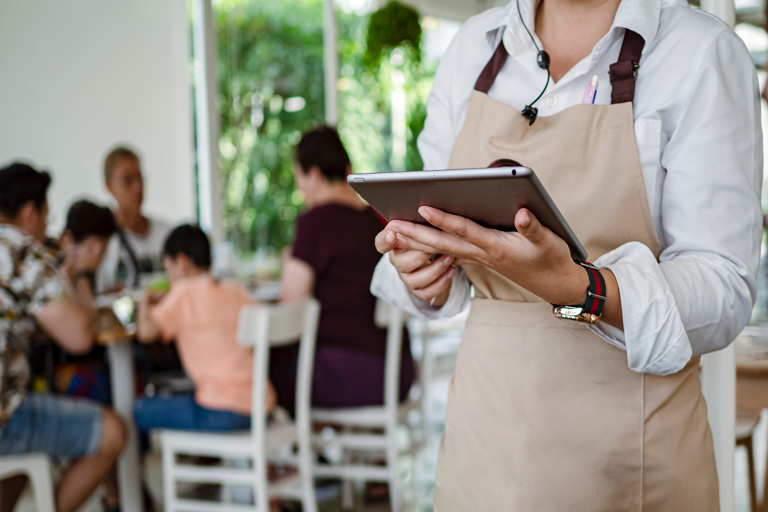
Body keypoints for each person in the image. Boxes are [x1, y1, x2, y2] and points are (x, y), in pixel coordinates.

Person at [371, 0, 762, 510]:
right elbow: (438, 232)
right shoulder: (472, 47)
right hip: (481, 450)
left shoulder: (700, 52)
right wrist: (422, 269)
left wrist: (582, 288)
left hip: (631, 465)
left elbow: (724, 289)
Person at [0, 163, 126, 512]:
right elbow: (79, 338)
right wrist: (83, 272)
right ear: (29, 212)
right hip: (4, 417)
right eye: (44, 216)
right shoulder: (21, 250)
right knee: (113, 432)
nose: (46, 227)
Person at [273, 125, 415, 415]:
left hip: (355, 374)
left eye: (298, 176)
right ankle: (326, 450)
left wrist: (288, 263)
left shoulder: (315, 223)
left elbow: (289, 304)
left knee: (267, 364)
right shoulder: (378, 217)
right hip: (399, 371)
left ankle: (294, 456)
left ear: (313, 174)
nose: (299, 187)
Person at [134, 224, 276, 433]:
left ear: (181, 263)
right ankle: (204, 458)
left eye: (168, 270)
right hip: (263, 406)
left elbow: (145, 332)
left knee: (140, 409)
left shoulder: (183, 294)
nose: (169, 278)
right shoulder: (235, 290)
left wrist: (144, 300)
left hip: (221, 411)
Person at [96, 146, 172, 293]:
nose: (138, 187)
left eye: (140, 178)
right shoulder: (103, 242)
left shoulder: (166, 234)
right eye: (128, 180)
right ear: (109, 186)